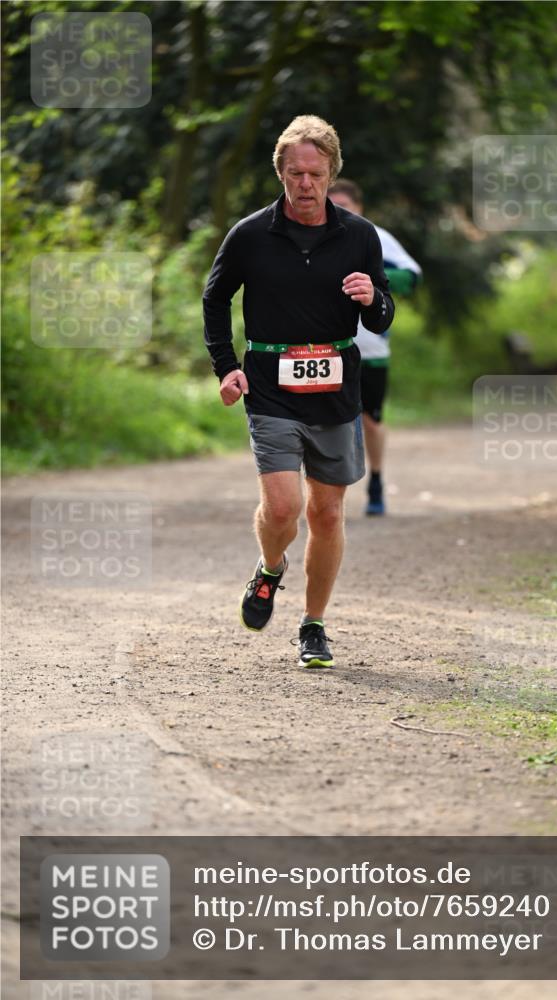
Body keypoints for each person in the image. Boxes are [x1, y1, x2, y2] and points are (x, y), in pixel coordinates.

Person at [203, 116, 394, 668]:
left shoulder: (359, 235)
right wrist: (226, 367)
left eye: (315, 173)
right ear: (281, 173)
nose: (305, 184)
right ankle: (270, 568)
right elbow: (215, 299)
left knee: (327, 514)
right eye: (295, 173)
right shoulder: (249, 235)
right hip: (270, 385)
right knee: (284, 507)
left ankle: (313, 624)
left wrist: (371, 298)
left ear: (331, 172)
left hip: (335, 389)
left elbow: (382, 317)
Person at [328, 179, 421, 515]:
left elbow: (412, 276)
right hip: (326, 349)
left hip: (370, 350)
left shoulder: (375, 237)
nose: (338, 212)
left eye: (344, 206)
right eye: (332, 205)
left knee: (371, 419)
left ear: (359, 208)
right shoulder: (312, 237)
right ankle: (325, 494)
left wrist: (372, 279)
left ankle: (377, 480)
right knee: (323, 422)